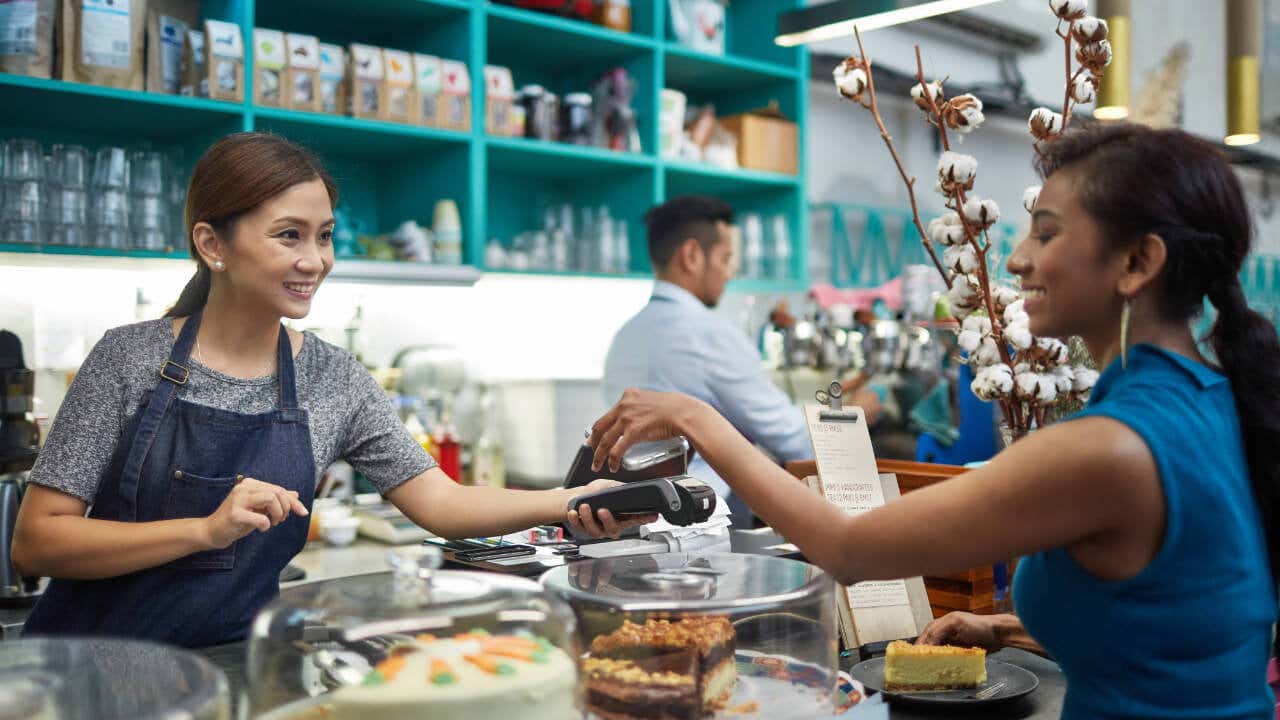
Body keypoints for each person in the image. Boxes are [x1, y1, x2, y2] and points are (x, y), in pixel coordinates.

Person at [579, 124, 1280, 719]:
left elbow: (850, 548)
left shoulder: (1108, 449)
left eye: (1046, 232)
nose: (1015, 258)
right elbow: (1172, 614)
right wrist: (1008, 625)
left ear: (1137, 262)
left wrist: (699, 419)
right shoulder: (1209, 395)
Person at [12, 133, 647, 648]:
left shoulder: (332, 377)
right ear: (213, 245)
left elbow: (443, 503)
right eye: (289, 235)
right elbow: (38, 542)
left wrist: (571, 499)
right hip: (91, 667)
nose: (315, 260)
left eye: (324, 235)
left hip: (239, 666)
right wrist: (203, 532)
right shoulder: (130, 357)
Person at [603, 196, 869, 526]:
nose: (730, 273)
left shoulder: (624, 336)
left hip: (633, 518)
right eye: (726, 258)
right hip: (701, 521)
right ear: (691, 256)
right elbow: (798, 442)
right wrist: (859, 413)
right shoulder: (709, 333)